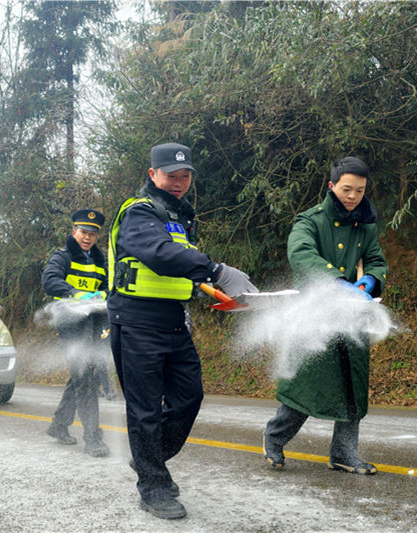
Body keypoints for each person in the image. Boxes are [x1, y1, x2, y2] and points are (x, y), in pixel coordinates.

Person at [108, 142, 258, 519]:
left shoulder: (181, 216)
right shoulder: (138, 213)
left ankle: (149, 457)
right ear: (152, 175)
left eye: (185, 175)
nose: (179, 182)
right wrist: (217, 270)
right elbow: (159, 253)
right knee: (144, 410)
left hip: (174, 320)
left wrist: (215, 291)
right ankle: (153, 485)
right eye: (171, 176)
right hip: (136, 320)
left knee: (189, 398)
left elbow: (178, 270)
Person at [263, 156, 388, 475]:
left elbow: (375, 259)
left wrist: (370, 279)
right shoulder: (309, 220)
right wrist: (336, 283)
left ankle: (344, 453)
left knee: (352, 386)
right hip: (314, 316)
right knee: (307, 386)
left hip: (352, 314)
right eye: (347, 189)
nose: (353, 196)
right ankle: (274, 437)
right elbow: (301, 254)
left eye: (359, 190)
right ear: (332, 186)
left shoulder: (366, 223)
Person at [42, 209, 111, 458]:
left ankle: (59, 425)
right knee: (86, 377)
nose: (87, 237)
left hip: (92, 324)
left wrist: (104, 294)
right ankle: (93, 439)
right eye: (83, 232)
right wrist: (74, 294)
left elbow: (105, 286)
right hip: (70, 325)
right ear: (74, 232)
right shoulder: (62, 256)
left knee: (81, 376)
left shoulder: (99, 260)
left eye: (92, 234)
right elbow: (49, 280)